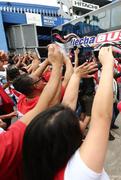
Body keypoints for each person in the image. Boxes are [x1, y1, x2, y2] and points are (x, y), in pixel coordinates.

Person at [22, 46, 113, 180]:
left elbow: (67, 106)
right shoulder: (78, 172)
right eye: (75, 121)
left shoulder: (48, 165)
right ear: (66, 140)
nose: (80, 120)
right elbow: (101, 118)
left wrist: (76, 75)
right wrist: (108, 65)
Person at [0, 44, 64, 180]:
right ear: (35, 86)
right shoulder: (41, 104)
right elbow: (58, 95)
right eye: (40, 80)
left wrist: (48, 60)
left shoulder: (23, 98)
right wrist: (59, 65)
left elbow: (33, 77)